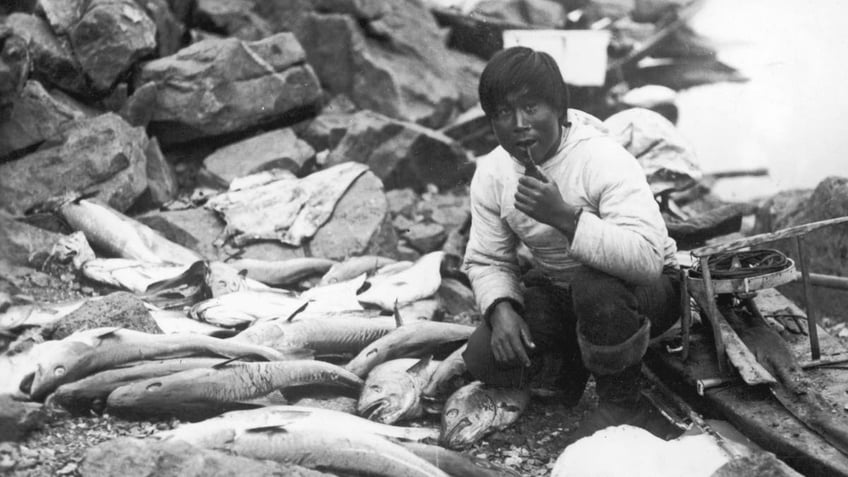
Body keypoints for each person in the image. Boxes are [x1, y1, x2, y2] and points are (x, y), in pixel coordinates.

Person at [461, 46, 682, 440]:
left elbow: (648, 260)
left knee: (594, 286)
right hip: (568, 294)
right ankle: (572, 369)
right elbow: (487, 258)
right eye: (503, 113)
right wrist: (500, 309)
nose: (519, 125)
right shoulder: (493, 173)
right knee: (483, 357)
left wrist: (564, 217)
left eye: (531, 108)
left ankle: (623, 403)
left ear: (559, 110)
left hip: (646, 292)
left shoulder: (602, 157)